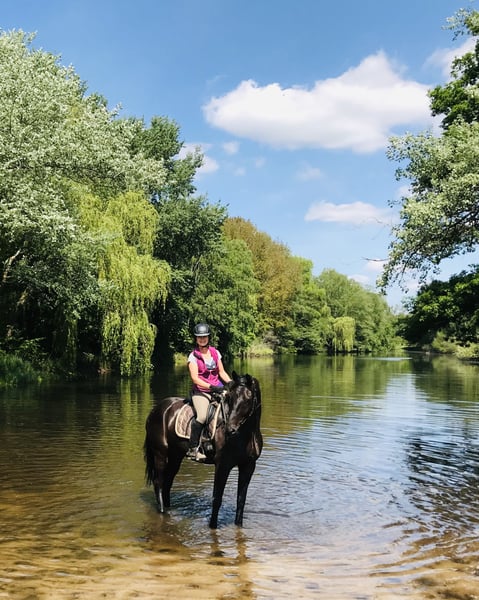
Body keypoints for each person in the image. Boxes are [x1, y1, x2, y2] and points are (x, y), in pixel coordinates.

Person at [186, 322, 231, 461]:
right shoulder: (193, 357)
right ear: (196, 339)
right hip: (202, 391)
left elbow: (221, 372)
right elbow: (195, 378)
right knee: (202, 417)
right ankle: (193, 449)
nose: (202, 339)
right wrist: (211, 387)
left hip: (218, 388)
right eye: (199, 337)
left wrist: (230, 383)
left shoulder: (215, 353)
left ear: (208, 337)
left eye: (204, 337)